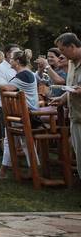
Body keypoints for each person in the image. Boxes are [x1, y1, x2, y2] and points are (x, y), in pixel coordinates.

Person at [0, 51, 39, 180]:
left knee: (15, 142)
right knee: (15, 142)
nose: (10, 61)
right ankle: (33, 169)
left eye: (11, 59)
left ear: (18, 62)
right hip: (22, 115)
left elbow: (8, 88)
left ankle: (6, 171)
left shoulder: (25, 75)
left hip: (26, 115)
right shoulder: (23, 74)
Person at [51, 33, 81, 180]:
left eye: (63, 50)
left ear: (72, 46)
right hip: (76, 118)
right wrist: (63, 98)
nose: (61, 54)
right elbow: (71, 87)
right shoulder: (70, 63)